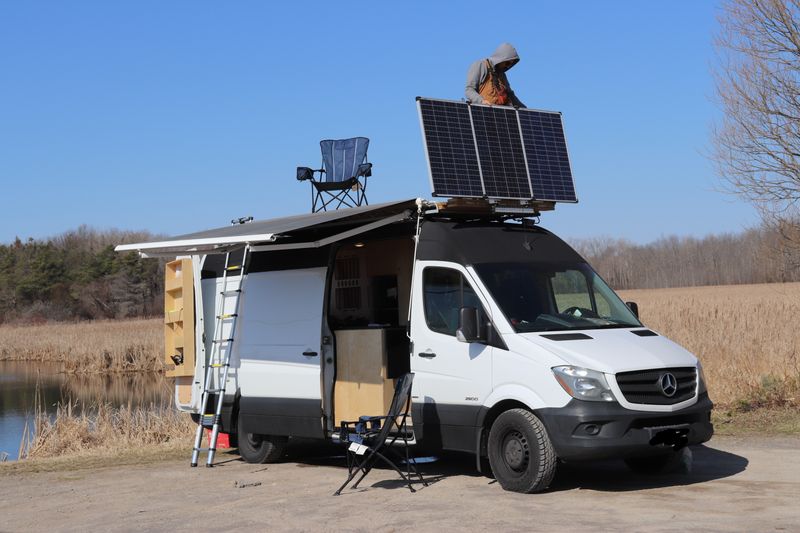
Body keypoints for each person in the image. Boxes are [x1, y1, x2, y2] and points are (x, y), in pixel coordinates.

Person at [465, 43, 526, 108]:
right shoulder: (481, 65)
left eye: (510, 64)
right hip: (484, 112)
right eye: (507, 62)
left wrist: (525, 110)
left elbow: (511, 95)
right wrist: (481, 101)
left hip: (502, 115)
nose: (507, 66)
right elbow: (469, 90)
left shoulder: (502, 75)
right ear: (501, 58)